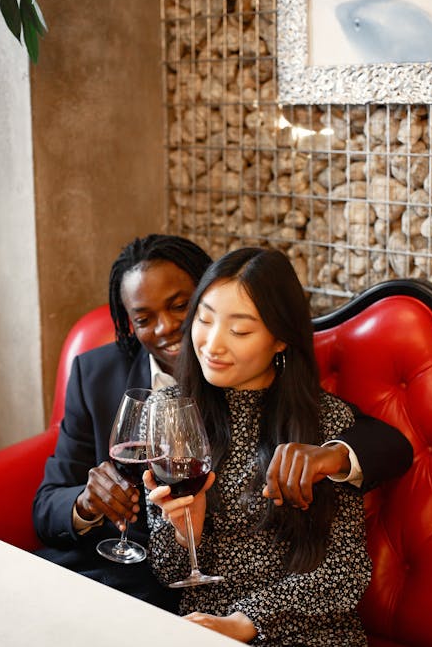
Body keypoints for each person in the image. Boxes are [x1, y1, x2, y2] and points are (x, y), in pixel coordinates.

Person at [32, 234, 411, 612]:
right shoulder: (99, 375)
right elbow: (49, 505)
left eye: (181, 306)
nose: (167, 328)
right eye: (144, 319)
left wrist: (334, 457)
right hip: (114, 575)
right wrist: (88, 503)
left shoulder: (311, 415)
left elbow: (383, 445)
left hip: (175, 602)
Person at [144, 247, 373, 644]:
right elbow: (168, 573)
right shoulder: (169, 412)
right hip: (205, 634)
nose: (212, 345)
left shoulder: (326, 424)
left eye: (240, 330)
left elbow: (345, 569)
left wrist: (243, 621)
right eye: (204, 319)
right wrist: (185, 534)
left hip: (311, 634)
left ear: (281, 339)